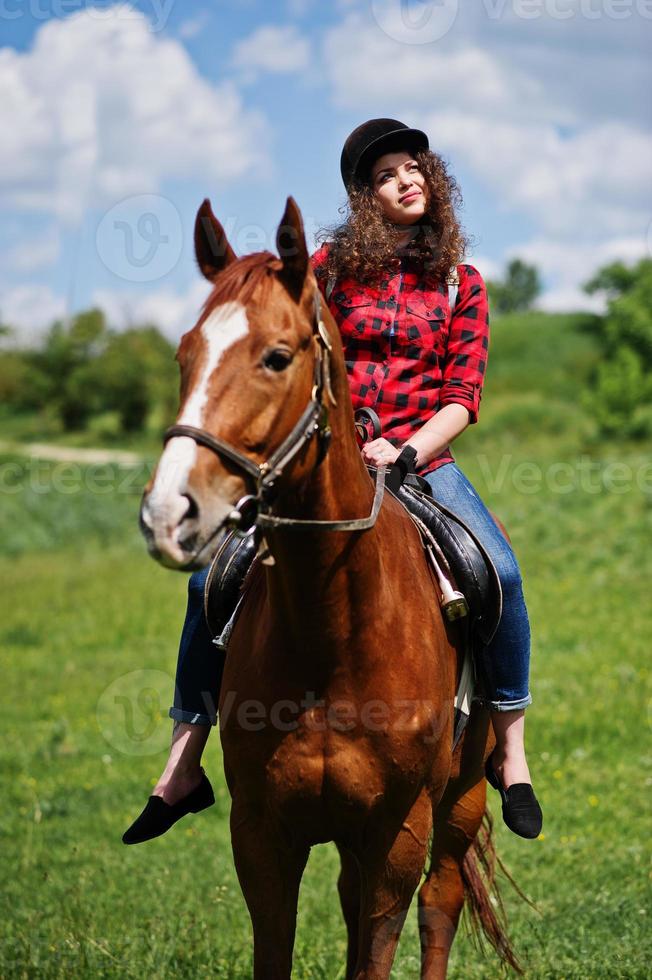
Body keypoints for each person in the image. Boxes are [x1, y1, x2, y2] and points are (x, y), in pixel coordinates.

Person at [123, 118, 542, 846]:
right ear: (364, 198)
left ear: (432, 179)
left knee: (496, 569)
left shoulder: (461, 283)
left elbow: (460, 398)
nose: (404, 180)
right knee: (208, 582)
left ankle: (511, 755)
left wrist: (406, 451)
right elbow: (278, 337)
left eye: (413, 167)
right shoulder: (330, 271)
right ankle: (184, 762)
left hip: (422, 459)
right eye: (384, 176)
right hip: (329, 460)